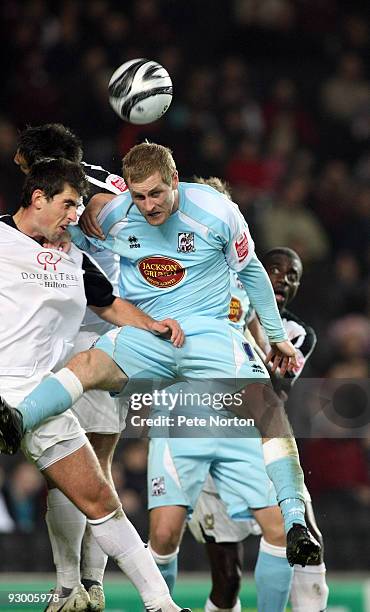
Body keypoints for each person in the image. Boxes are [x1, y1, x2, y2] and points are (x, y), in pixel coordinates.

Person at [0, 143, 321, 570]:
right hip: (151, 333)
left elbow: (252, 273)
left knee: (268, 410)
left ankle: (296, 521)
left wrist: (277, 336)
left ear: (174, 181)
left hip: (210, 333)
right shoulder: (114, 214)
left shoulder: (216, 211)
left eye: (156, 194)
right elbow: (58, 217)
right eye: (138, 196)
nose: (148, 206)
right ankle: (17, 419)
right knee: (88, 365)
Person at [0, 158, 190, 612]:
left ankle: (160, 605)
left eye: (79, 205)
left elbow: (109, 304)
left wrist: (154, 326)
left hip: (38, 396)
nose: (74, 215)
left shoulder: (73, 257)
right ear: (37, 197)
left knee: (101, 499)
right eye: (68, 205)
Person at [14, 123, 129, 611]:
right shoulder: (110, 185)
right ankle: (93, 585)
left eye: (24, 167)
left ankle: (69, 587)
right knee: (96, 466)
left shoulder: (85, 202)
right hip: (115, 340)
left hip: (77, 335)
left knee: (67, 469)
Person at [188, 246, 329, 612]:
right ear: (253, 271)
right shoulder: (216, 303)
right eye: (275, 269)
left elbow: (275, 390)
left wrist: (248, 332)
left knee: (306, 546)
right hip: (211, 453)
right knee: (227, 580)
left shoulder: (297, 333)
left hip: (263, 452)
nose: (283, 278)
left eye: (293, 274)